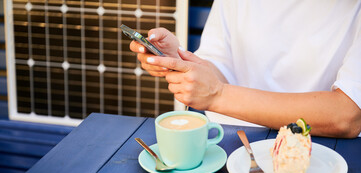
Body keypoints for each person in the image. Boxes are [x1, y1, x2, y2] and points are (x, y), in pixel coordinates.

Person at [129, 0, 361, 138]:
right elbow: (218, 67)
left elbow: (347, 115)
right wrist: (181, 63)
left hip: (325, 149)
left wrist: (217, 94)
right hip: (236, 140)